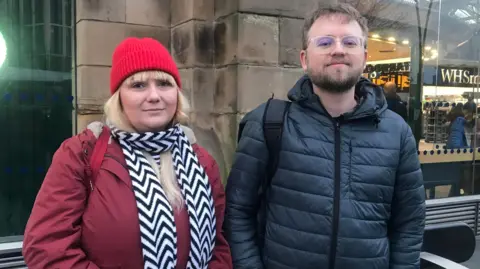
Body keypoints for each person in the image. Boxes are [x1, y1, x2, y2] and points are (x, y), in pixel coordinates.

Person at [224, 3, 425, 269]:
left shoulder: (397, 132)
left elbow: (409, 223)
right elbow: (237, 213)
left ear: (364, 57)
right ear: (305, 59)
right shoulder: (269, 123)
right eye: (325, 41)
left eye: (350, 42)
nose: (338, 49)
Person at [22, 37, 232, 269]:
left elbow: (218, 246)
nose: (154, 95)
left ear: (177, 94)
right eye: (138, 85)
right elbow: (47, 249)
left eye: (164, 83)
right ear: (118, 98)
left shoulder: (201, 161)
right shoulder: (81, 154)